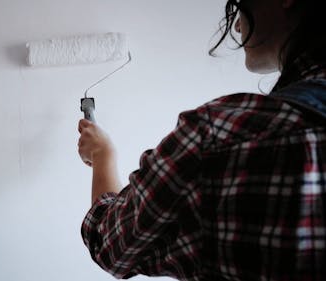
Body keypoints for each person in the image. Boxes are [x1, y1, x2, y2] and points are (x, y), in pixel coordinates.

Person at [77, 0, 326, 280]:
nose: (236, 24)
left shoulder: (221, 137)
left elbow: (110, 244)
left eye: (240, 3)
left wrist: (102, 156)